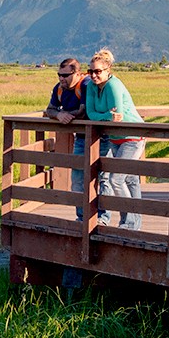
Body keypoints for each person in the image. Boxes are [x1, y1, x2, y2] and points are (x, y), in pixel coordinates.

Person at [83, 49, 146, 230]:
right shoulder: (92, 87)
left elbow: (117, 114)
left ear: (108, 70)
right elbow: (90, 113)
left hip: (131, 136)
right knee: (128, 180)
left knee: (116, 179)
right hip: (115, 137)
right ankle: (133, 223)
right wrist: (106, 117)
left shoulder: (113, 85)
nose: (94, 75)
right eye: (91, 72)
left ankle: (128, 222)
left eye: (98, 71)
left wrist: (104, 116)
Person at [46, 58, 104, 223]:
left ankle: (101, 217)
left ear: (78, 74)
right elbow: (49, 109)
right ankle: (82, 217)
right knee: (78, 178)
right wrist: (58, 114)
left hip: (100, 137)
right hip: (81, 138)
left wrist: (65, 113)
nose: (61, 79)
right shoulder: (59, 89)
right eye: (59, 75)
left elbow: (83, 112)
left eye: (65, 75)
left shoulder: (86, 86)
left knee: (101, 178)